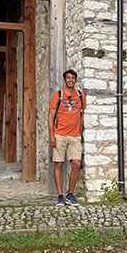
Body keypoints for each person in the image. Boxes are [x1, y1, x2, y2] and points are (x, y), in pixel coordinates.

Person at [48, 69, 86, 206]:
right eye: (68, 78)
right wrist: (52, 135)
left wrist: (80, 133)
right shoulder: (58, 96)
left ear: (75, 80)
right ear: (65, 80)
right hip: (59, 135)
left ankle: (70, 194)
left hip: (75, 136)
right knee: (59, 164)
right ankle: (60, 196)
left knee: (76, 164)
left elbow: (81, 116)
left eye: (73, 78)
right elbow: (51, 116)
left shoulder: (81, 96)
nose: (70, 80)